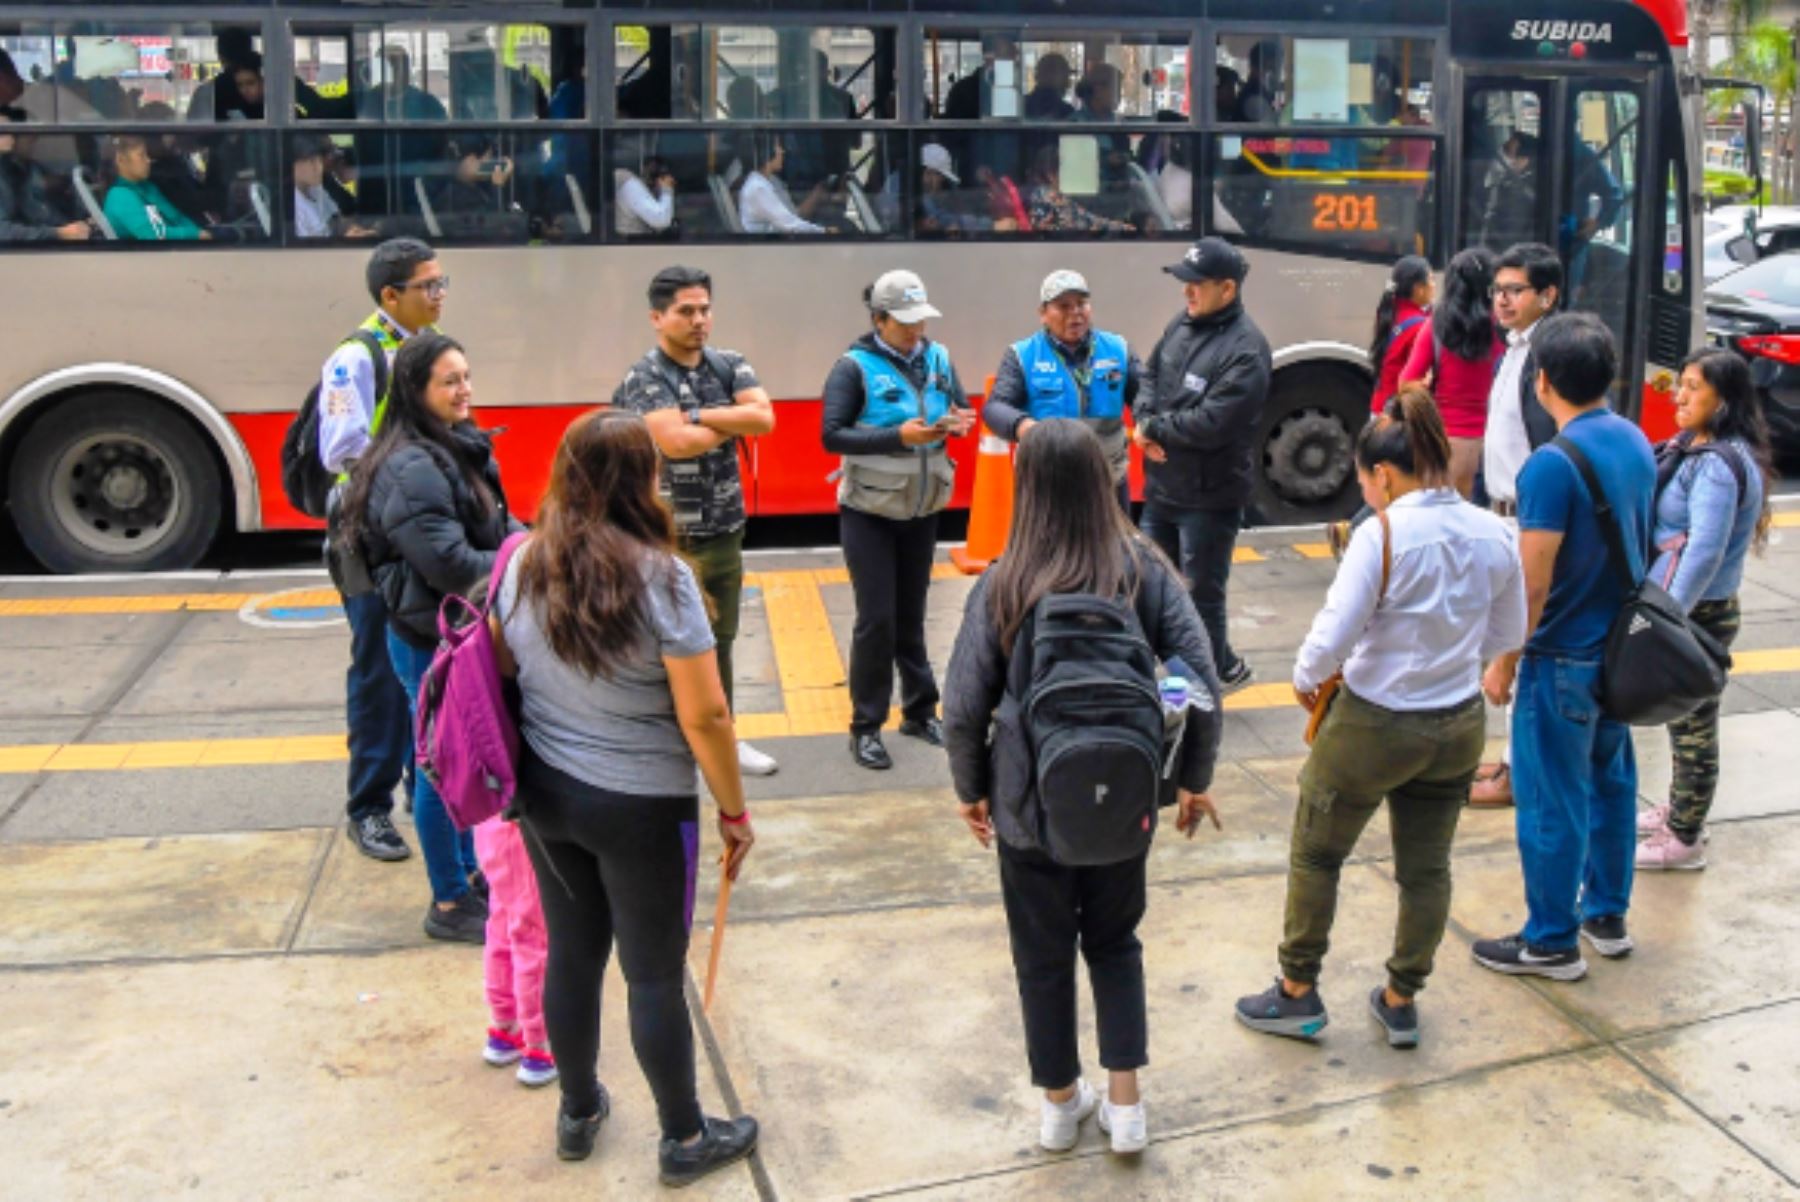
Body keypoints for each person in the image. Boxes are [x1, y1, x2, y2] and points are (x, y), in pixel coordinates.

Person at [491, 409, 759, 1182]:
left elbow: (507, 671)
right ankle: (683, 1138)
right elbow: (706, 714)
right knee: (651, 972)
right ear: (644, 478)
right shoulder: (664, 576)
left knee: (572, 954)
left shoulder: (521, 561)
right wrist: (735, 812)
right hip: (642, 808)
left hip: (547, 794)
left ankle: (577, 1110)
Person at [943, 419, 1223, 1156]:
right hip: (1124, 805)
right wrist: (1192, 779)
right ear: (1104, 480)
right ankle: (1126, 1107)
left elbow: (963, 707)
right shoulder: (1142, 569)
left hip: (1027, 809)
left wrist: (971, 790)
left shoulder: (1007, 579)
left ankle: (1061, 1106)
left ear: (1028, 488)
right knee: (1115, 942)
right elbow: (1202, 680)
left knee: (1041, 955)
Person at [1234, 387, 1525, 1047]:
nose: (1364, 490)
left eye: (1364, 478)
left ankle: (1297, 992)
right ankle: (1401, 998)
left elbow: (1332, 636)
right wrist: (1449, 659)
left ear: (1384, 475)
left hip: (1373, 722)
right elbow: (1508, 630)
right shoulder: (1494, 531)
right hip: (1455, 724)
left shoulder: (1382, 533)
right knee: (1427, 866)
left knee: (1317, 850)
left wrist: (1306, 681)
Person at [1473, 312, 1656, 980]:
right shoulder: (1635, 440)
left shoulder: (1551, 466)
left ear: (1542, 381)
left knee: (1551, 800)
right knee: (1611, 784)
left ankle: (1550, 941)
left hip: (1561, 661)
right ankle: (1605, 914)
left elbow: (1534, 580)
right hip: (1619, 655)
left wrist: (1505, 658)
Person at [340, 332, 520, 943]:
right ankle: (448, 902)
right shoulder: (412, 464)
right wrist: (517, 565)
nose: (464, 390)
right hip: (430, 637)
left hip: (454, 630)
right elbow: (446, 561)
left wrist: (528, 545)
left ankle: (471, 875)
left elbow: (495, 523)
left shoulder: (449, 447)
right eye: (450, 381)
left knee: (459, 759)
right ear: (417, 391)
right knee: (443, 768)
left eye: (467, 377)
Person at [612, 266, 781, 777]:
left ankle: (723, 736)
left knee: (720, 638)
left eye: (704, 308)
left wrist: (696, 415)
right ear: (657, 318)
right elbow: (674, 444)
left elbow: (765, 419)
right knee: (662, 641)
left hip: (724, 529)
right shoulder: (644, 377)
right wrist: (724, 419)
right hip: (662, 537)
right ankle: (668, 739)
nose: (699, 320)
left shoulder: (729, 363)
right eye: (686, 311)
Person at [320, 238, 446, 864]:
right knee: (377, 671)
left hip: (415, 533)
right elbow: (340, 452)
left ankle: (414, 788)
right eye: (428, 285)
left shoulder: (424, 351)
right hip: (369, 540)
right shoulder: (357, 356)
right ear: (390, 295)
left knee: (419, 664)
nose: (440, 294)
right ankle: (368, 809)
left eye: (441, 283)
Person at [821, 270, 975, 769]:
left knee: (912, 614)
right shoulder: (854, 367)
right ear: (879, 320)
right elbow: (833, 435)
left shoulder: (938, 357)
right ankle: (865, 725)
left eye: (921, 321)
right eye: (904, 323)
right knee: (876, 619)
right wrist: (897, 438)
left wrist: (958, 420)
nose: (916, 332)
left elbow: (960, 404)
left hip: (923, 505)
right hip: (869, 509)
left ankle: (919, 710)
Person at [1636, 349, 1774, 871]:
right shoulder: (1698, 448)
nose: (1680, 394)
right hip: (1693, 608)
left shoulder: (1715, 465)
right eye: (1683, 384)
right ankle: (1681, 809)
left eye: (1695, 387)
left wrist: (1667, 615)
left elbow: (1705, 549)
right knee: (1684, 719)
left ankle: (1685, 837)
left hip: (1697, 611)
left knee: (1695, 725)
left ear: (1725, 399)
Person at [1133, 237, 1271, 694]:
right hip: (1163, 491)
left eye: (1196, 284)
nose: (1186, 292)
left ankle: (1195, 692)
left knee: (1200, 598)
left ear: (1227, 289)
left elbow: (1213, 422)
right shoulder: (1183, 323)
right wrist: (1145, 419)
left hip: (1209, 498)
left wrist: (1155, 428)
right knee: (1158, 590)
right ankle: (1214, 669)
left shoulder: (1246, 349)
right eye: (1184, 283)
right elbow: (1149, 374)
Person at [1469, 242, 1565, 808]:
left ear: (1546, 296)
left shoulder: (1543, 357)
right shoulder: (1514, 349)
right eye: (1497, 291)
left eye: (1514, 291)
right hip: (1503, 515)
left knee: (1520, 645)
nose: (1501, 300)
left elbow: (1542, 446)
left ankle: (1516, 769)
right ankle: (1510, 758)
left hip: (1530, 520)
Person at [983, 269, 1143, 510]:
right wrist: (1023, 426)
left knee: (1112, 548)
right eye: (1064, 306)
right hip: (1046, 488)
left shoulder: (1118, 349)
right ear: (1043, 314)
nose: (1075, 313)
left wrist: (1147, 424)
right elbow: (995, 407)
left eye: (1081, 304)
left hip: (1107, 482)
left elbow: (1145, 396)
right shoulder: (1022, 355)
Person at [1399, 247, 1499, 498]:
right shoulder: (1505, 327)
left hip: (1444, 442)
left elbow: (1406, 383)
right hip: (1495, 443)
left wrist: (1428, 386)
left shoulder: (1436, 325)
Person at [475, 811, 555, 1089]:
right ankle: (539, 1043)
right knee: (534, 937)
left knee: (501, 924)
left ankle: (504, 1025)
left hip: (489, 826)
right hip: (522, 830)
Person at [0, 107, 90, 242]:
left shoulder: (15, 169)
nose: (12, 135)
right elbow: (4, 231)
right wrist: (58, 233)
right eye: (5, 131)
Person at [102, 134, 208, 242]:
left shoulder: (148, 187)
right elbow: (152, 234)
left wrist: (198, 231)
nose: (148, 160)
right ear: (120, 160)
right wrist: (194, 234)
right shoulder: (119, 196)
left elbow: (176, 217)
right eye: (141, 155)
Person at [1368, 255, 1434, 413]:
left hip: (1380, 407)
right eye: (1431, 280)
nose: (1434, 285)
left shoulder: (1389, 312)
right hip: (1400, 413)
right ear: (1418, 288)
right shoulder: (1419, 327)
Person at [1024, 145, 1134, 235]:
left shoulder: (1057, 195)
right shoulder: (1045, 197)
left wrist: (1121, 227)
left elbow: (1087, 218)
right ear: (1051, 174)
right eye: (1067, 169)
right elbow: (1079, 222)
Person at [735, 134, 829, 235]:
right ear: (767, 153)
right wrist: (825, 231)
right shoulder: (758, 187)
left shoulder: (770, 180)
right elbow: (789, 224)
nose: (782, 151)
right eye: (778, 147)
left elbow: (790, 216)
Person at [293, 134, 374, 239]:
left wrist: (355, 230)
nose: (318, 168)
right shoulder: (293, 206)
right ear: (294, 164)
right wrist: (345, 240)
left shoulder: (318, 190)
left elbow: (339, 221)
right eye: (311, 162)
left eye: (319, 161)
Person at [614, 151, 675, 238]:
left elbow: (660, 229)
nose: (654, 179)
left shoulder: (642, 191)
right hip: (630, 243)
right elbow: (660, 220)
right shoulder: (631, 186)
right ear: (642, 168)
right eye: (653, 173)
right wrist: (666, 188)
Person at [1024, 53, 1074, 120]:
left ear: (1036, 77)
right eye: (1066, 76)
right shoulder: (1067, 113)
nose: (1069, 82)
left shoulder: (1020, 106)